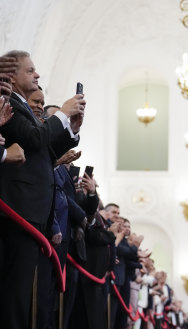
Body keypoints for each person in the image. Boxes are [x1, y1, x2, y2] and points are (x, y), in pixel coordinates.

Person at [0, 50, 85, 329]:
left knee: (24, 294)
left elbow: (44, 152)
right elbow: (36, 139)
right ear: (11, 77)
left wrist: (70, 130)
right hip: (19, 209)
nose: (37, 75)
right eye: (30, 70)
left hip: (33, 211)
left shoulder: (21, 104)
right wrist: (61, 112)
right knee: (15, 295)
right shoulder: (7, 102)